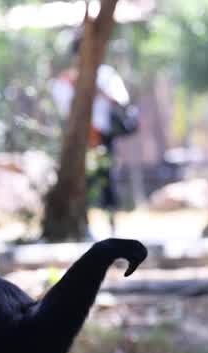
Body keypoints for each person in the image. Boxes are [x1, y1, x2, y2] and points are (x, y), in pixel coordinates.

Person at [50, 31, 134, 236]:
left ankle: (113, 228)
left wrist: (98, 90)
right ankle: (84, 227)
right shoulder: (65, 80)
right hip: (80, 140)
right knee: (82, 184)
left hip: (104, 137)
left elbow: (121, 99)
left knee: (108, 183)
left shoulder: (106, 74)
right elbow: (65, 109)